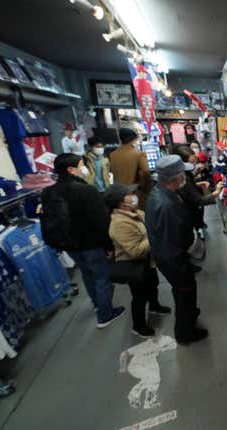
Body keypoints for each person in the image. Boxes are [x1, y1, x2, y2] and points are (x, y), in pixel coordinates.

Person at [48, 153, 124, 328]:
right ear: (71, 169)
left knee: (87, 275)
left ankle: (98, 305)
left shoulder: (50, 192)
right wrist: (109, 244)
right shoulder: (86, 191)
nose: (85, 169)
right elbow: (101, 220)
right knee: (102, 277)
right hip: (90, 243)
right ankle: (105, 315)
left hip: (69, 244)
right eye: (82, 165)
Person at [145, 155, 207, 345]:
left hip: (168, 256)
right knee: (185, 292)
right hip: (174, 260)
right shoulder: (167, 205)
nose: (186, 176)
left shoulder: (162, 193)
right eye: (183, 173)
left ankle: (189, 317)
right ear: (177, 176)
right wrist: (185, 263)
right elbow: (171, 241)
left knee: (183, 291)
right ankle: (185, 334)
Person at [104, 183, 171, 338]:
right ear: (121, 201)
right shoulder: (119, 223)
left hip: (148, 261)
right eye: (130, 194)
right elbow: (134, 251)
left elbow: (149, 219)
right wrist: (153, 234)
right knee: (139, 297)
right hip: (135, 265)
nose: (134, 195)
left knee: (153, 284)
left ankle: (154, 306)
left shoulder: (134, 212)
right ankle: (139, 326)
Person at [173, 146, 224, 238]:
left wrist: (197, 184)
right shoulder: (184, 179)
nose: (194, 164)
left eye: (194, 161)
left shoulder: (184, 173)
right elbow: (199, 201)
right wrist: (216, 192)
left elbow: (188, 188)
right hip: (191, 214)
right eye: (191, 162)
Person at [109, 128, 152, 209]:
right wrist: (146, 188)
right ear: (134, 139)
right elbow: (146, 172)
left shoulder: (113, 154)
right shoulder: (139, 154)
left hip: (118, 195)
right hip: (134, 193)